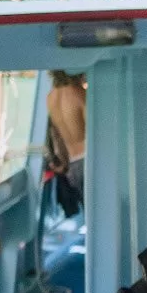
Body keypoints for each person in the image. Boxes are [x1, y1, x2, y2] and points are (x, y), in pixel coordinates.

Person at [47, 70, 87, 200]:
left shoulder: (50, 98)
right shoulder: (79, 94)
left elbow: (56, 136)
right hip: (88, 162)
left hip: (73, 164)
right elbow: (99, 130)